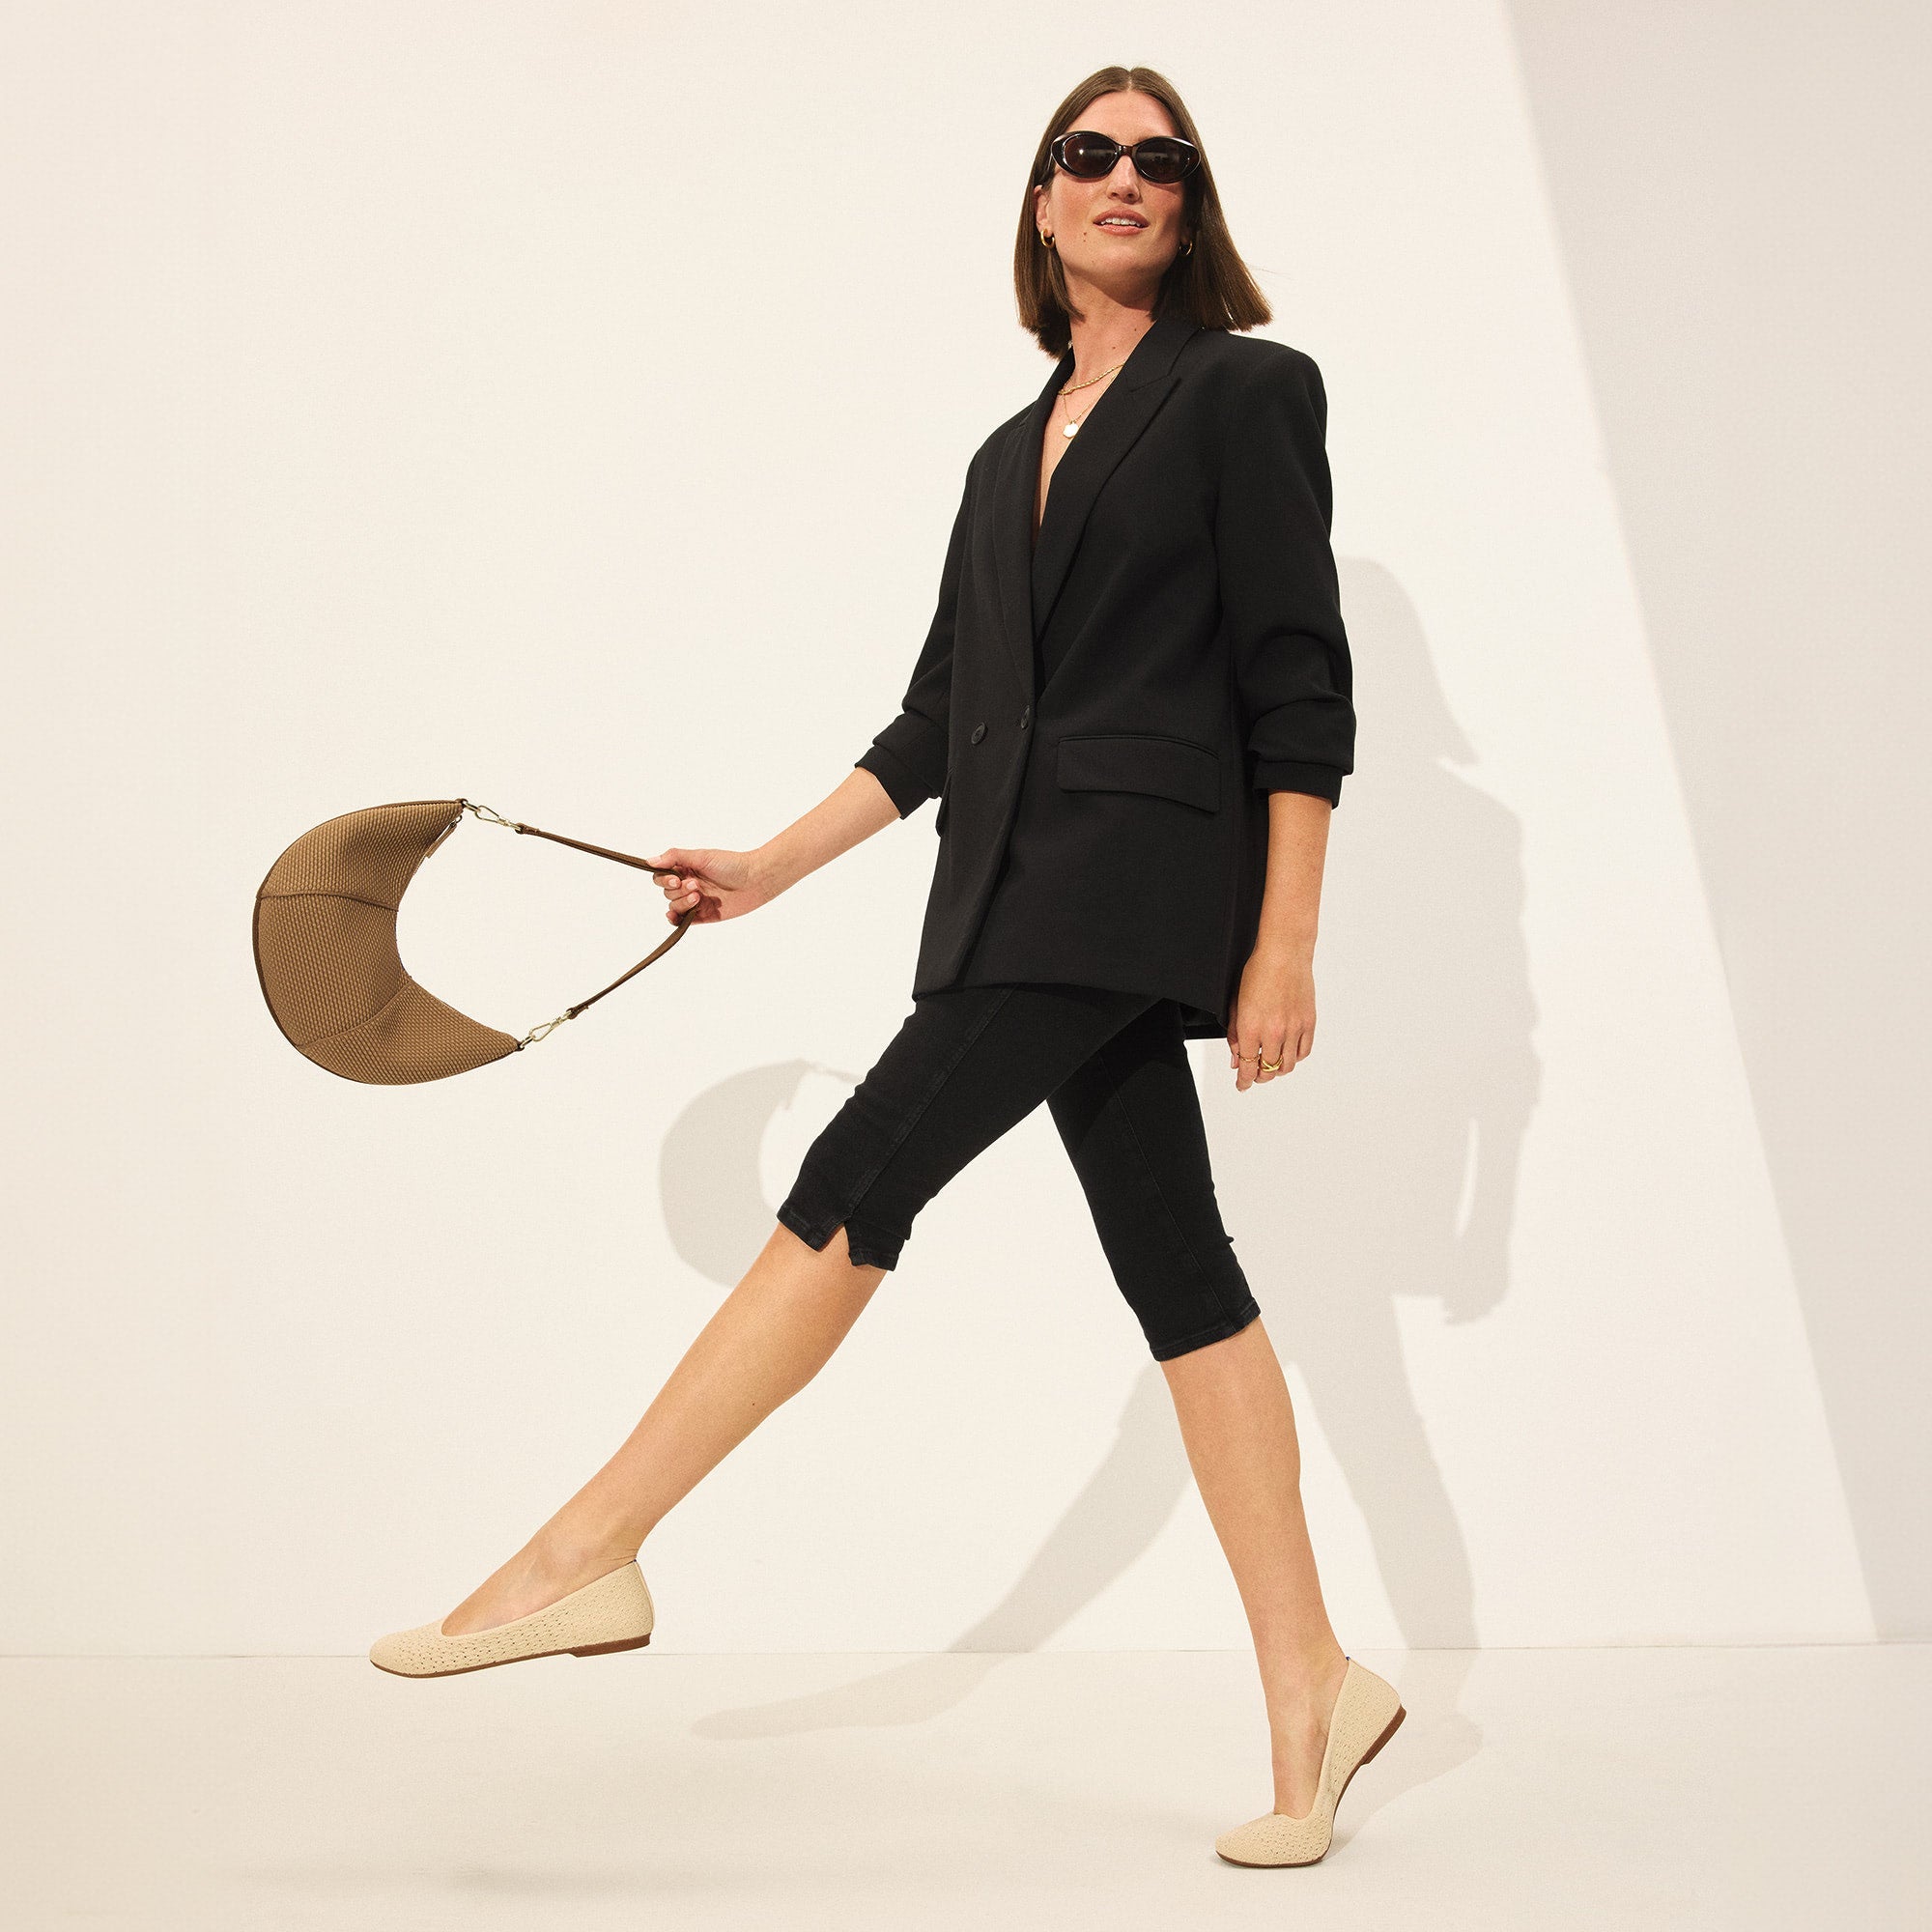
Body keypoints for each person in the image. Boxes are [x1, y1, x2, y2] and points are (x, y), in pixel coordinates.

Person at [368, 64, 1404, 1869]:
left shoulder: (1249, 390)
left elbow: (1298, 682)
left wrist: (1283, 942)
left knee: (857, 1179)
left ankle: (587, 1549)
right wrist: (767, 866)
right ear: (1042, 196)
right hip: (1004, 887)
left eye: (1163, 160)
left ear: (1191, 204)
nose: (1127, 178)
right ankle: (1316, 1686)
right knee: (1184, 1277)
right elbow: (942, 717)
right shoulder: (1005, 455)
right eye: (1091, 153)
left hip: (1125, 888)